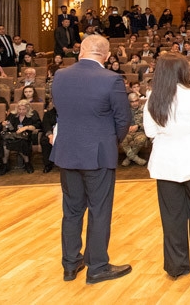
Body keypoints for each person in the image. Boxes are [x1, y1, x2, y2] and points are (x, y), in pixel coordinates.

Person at [50, 34, 133, 284]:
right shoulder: (111, 79)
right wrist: (110, 142)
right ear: (107, 56)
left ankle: (70, 264)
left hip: (67, 152)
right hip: (98, 155)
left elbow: (60, 111)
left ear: (81, 51)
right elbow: (123, 120)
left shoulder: (60, 76)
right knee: (99, 210)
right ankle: (97, 266)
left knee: (71, 210)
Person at [143, 52, 190, 283]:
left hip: (165, 164)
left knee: (172, 217)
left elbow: (150, 132)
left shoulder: (152, 97)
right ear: (183, 72)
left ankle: (177, 267)